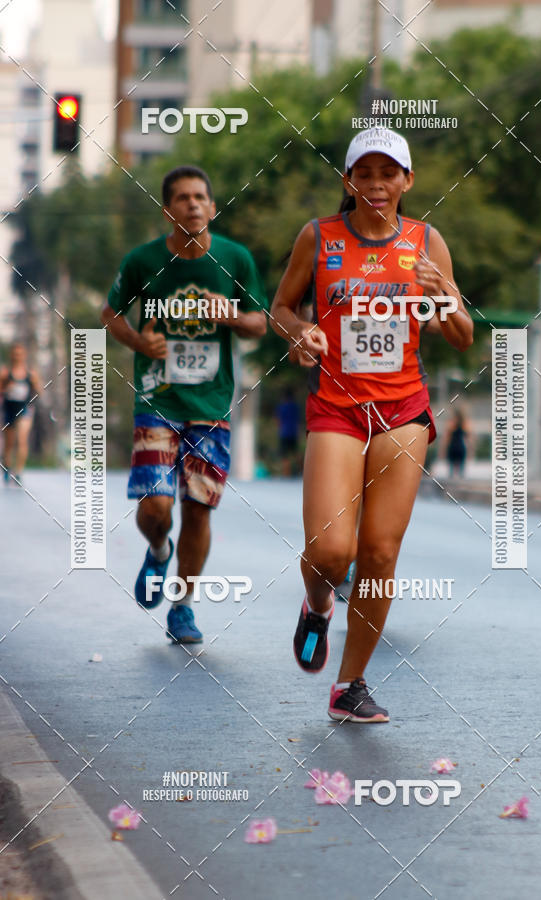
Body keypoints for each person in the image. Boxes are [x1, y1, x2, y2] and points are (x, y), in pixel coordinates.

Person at [271, 128, 473, 722]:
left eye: (390, 174)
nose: (378, 184)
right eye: (366, 173)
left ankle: (350, 685)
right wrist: (299, 333)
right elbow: (281, 307)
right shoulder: (319, 236)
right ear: (349, 180)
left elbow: (461, 337)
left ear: (408, 182)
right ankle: (317, 606)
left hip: (402, 409)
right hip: (337, 405)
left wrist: (445, 300)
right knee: (333, 551)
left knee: (379, 553)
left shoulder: (427, 242)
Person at [101, 165, 268, 644]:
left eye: (200, 197)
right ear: (166, 211)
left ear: (213, 208)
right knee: (157, 507)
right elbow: (109, 313)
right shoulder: (143, 261)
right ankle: (157, 550)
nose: (193, 204)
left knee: (199, 508)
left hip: (211, 404)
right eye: (182, 198)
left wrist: (231, 315)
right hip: (158, 398)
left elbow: (261, 322)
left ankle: (184, 605)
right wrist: (138, 342)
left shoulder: (235, 259)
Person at [1, 342, 42, 486]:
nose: (17, 357)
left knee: (22, 439)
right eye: (15, 354)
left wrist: (35, 388)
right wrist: (6, 389)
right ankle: (6, 466)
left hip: (25, 408)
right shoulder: (5, 373)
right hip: (9, 408)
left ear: (24, 356)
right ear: (11, 355)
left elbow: (39, 392)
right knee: (9, 442)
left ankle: (18, 471)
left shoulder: (31, 374)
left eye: (20, 354)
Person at [276, 388, 300, 476]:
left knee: (285, 455)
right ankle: (301, 471)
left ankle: (286, 474)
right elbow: (298, 420)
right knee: (295, 453)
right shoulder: (295, 407)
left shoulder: (282, 407)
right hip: (294, 432)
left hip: (284, 433)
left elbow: (279, 421)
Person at [443, 408, 472, 478]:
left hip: (453, 447)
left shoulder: (451, 423)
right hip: (460, 447)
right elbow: (469, 436)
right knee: (460, 471)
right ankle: (460, 482)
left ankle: (452, 482)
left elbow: (446, 438)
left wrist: (444, 449)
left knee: (451, 471)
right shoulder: (464, 424)